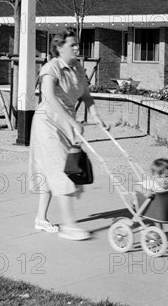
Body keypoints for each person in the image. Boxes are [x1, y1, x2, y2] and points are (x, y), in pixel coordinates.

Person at [28, 30, 108, 241]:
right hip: (48, 125)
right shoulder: (50, 68)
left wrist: (95, 116)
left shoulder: (78, 68)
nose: (76, 48)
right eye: (72, 45)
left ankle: (40, 219)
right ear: (59, 47)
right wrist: (73, 121)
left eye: (77, 44)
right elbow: (48, 97)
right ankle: (69, 226)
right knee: (62, 171)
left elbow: (86, 95)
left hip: (66, 125)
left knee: (52, 171)